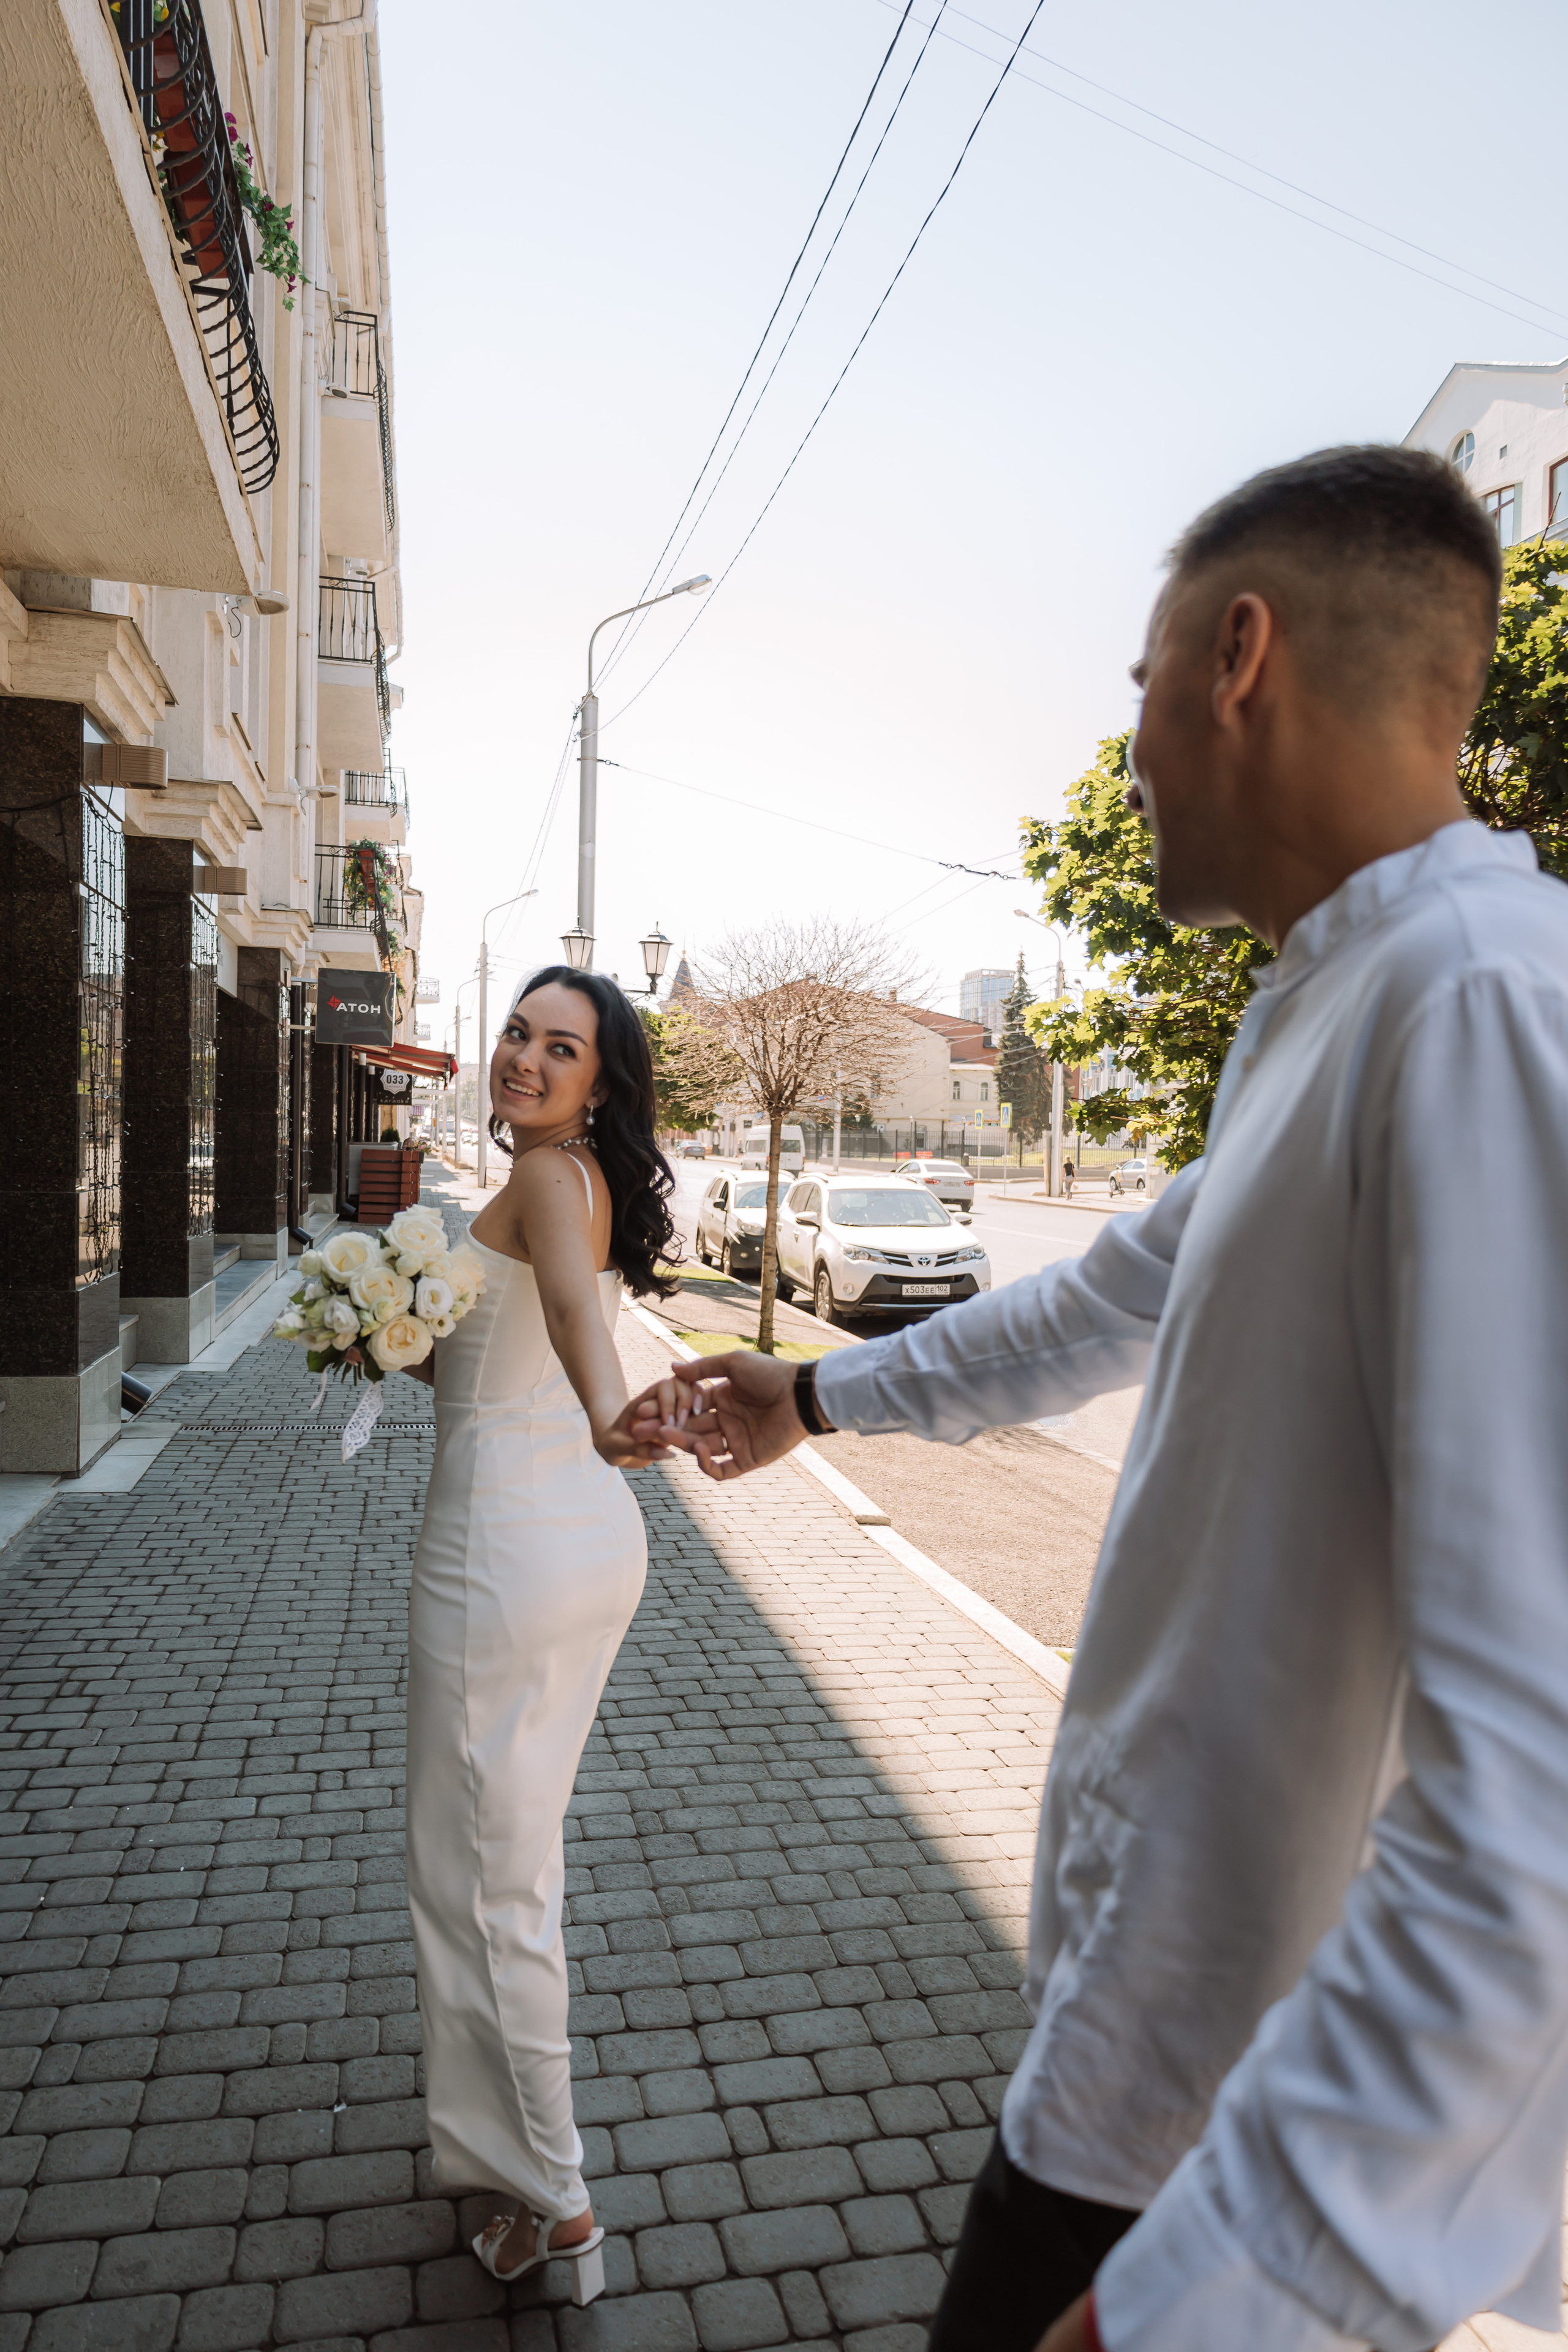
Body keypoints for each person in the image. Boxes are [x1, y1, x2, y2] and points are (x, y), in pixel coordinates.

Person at [620, 447, 1568, 2351]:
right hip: (1151, 2033)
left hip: (1235, 2134)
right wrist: (813, 1391)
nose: (1127, 744)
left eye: (1137, 682)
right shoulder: (1329, 1013)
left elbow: (1532, 1768)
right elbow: (1096, 1308)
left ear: (1239, 656)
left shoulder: (1473, 1004)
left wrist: (1231, 2288)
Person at [405, 967, 679, 2305]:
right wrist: (390, 1331)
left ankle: (554, 2202)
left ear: (599, 1084)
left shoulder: (546, 1183)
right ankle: (509, 2164)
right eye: (517, 1033)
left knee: (481, 1885)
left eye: (557, 1048)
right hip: (577, 1550)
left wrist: (610, 1415)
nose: (522, 1058)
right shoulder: (572, 1180)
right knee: (509, 1865)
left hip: (503, 1552)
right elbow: (500, 1334)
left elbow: (571, 1314)